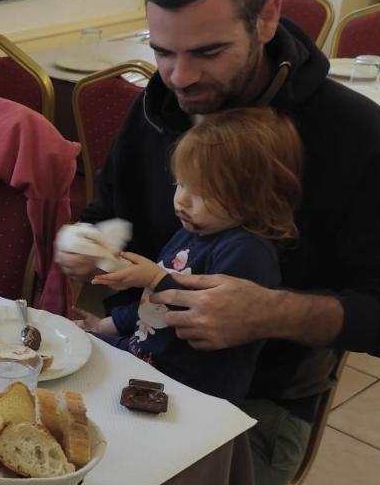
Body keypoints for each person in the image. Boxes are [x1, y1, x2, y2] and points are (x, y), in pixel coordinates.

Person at [57, 0, 380, 485]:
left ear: (267, 18)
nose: (180, 78)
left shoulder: (352, 134)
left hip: (261, 405)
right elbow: (111, 211)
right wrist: (88, 242)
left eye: (208, 52)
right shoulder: (159, 107)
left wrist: (271, 312)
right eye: (162, 51)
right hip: (144, 359)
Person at [79, 107, 301, 404]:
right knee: (73, 341)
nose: (181, 199)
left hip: (187, 390)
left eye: (201, 192)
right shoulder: (193, 231)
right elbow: (150, 305)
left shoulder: (247, 253)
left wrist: (157, 279)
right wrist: (104, 325)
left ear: (253, 197)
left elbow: (205, 317)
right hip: (146, 359)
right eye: (180, 184)